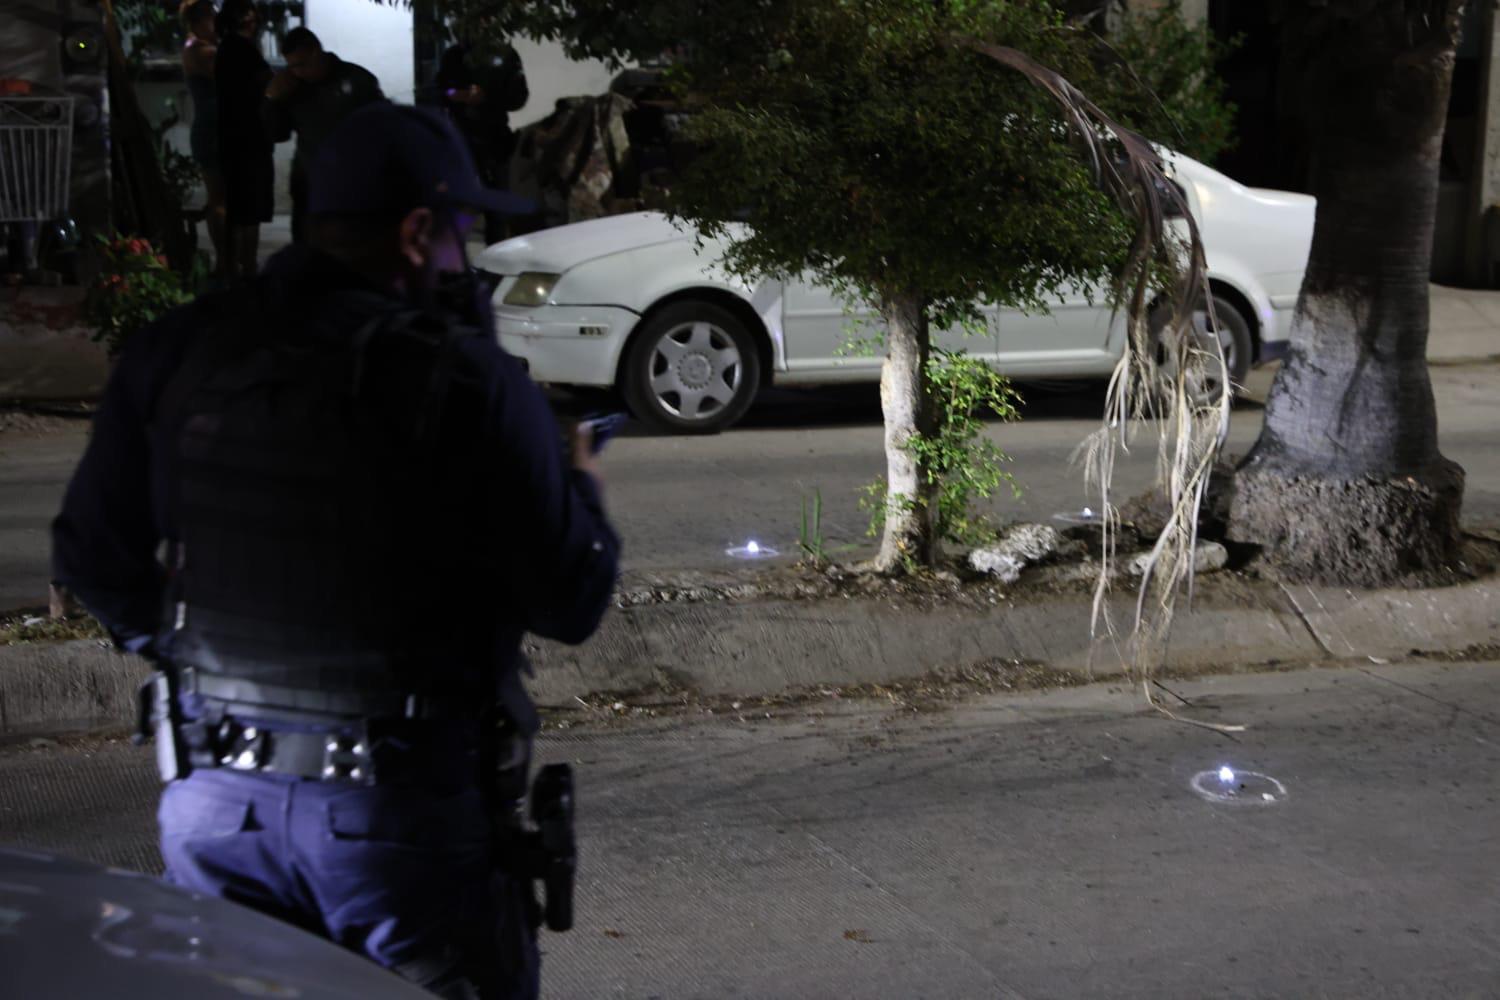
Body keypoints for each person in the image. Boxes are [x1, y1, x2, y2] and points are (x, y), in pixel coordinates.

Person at [51, 103, 616, 999]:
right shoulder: (464, 377)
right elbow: (571, 599)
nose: (460, 257)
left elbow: (91, 557)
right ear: (417, 230)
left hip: (213, 809)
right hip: (393, 831)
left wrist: (200, 658)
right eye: (459, 233)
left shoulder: (183, 348)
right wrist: (578, 481)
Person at [264, 27, 384, 243]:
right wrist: (272, 100)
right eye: (291, 66)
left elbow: (383, 127)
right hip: (309, 182)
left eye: (301, 65)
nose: (297, 72)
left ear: (316, 52)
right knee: (307, 249)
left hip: (351, 184)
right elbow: (277, 133)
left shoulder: (357, 80)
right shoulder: (293, 87)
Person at [435, 40, 529, 244]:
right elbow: (441, 91)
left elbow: (519, 97)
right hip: (460, 139)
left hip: (496, 139)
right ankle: (452, 261)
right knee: (458, 205)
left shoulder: (504, 54)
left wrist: (487, 97)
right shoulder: (454, 55)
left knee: (499, 208)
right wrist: (457, 95)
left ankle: (496, 261)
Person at [214, 0, 274, 282]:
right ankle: (246, 268)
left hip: (233, 136)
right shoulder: (241, 50)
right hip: (248, 138)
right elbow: (266, 86)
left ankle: (235, 267)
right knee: (248, 208)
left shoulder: (227, 49)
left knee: (240, 206)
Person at [180, 0, 227, 277]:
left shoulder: (201, 48)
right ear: (198, 23)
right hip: (213, 130)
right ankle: (224, 261)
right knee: (220, 199)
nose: (217, 25)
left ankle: (227, 260)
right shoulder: (201, 51)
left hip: (216, 127)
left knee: (223, 198)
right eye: (212, 19)